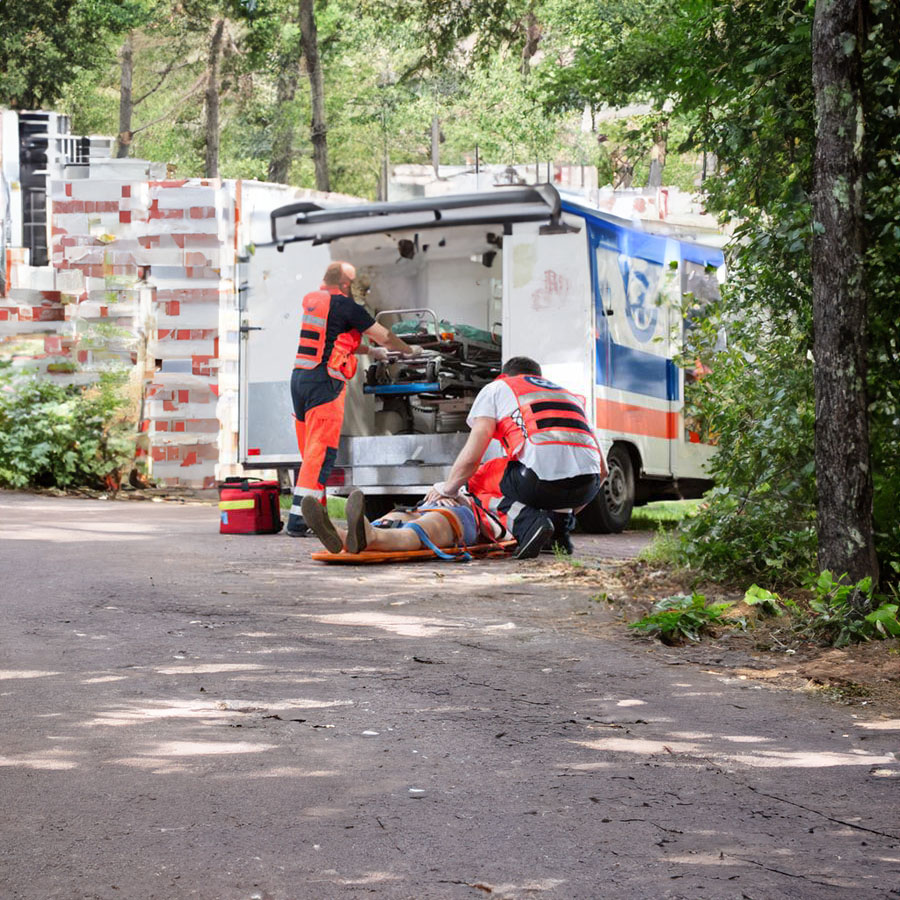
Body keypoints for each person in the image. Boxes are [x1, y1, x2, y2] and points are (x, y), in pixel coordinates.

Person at [423, 356, 608, 559]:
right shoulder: (568, 396)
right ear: (539, 377)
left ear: (504, 375)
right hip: (587, 485)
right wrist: (565, 510)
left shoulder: (498, 387)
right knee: (555, 473)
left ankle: (528, 523)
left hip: (537, 482)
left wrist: (447, 489)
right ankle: (558, 535)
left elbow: (471, 459)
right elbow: (603, 470)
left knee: (477, 479)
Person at [287, 260, 420, 536]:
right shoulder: (347, 306)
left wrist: (370, 353)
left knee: (310, 453)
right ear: (347, 286)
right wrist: (409, 350)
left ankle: (315, 515)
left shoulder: (317, 301)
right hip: (325, 382)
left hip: (300, 378)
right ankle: (299, 521)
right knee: (320, 455)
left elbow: (336, 339)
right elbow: (384, 336)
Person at [301, 487, 509, 558]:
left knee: (420, 526)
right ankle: (354, 534)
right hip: (428, 504)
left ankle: (361, 535)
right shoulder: (502, 476)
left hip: (464, 513)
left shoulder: (511, 498)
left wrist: (458, 497)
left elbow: (503, 533)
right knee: (398, 518)